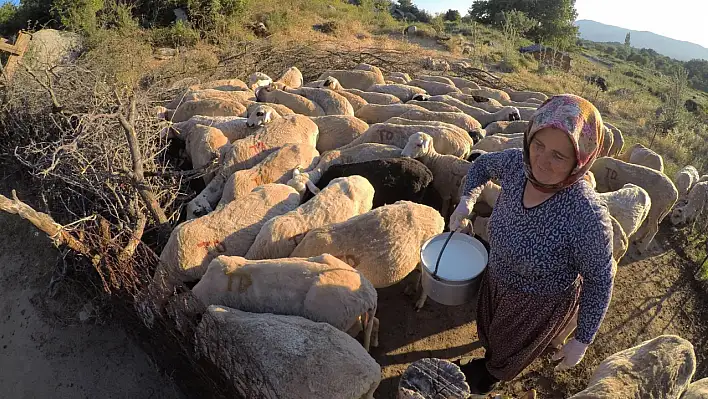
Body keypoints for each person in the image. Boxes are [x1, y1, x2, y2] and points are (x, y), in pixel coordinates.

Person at [449, 94, 615, 394]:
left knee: (508, 351)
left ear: (581, 158)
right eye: (538, 145)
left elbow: (600, 279)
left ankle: (489, 376)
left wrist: (583, 338)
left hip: (535, 304)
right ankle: (489, 357)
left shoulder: (586, 214)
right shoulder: (517, 164)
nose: (541, 160)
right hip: (496, 277)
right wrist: (467, 201)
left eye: (558, 155)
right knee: (490, 333)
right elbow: (482, 166)